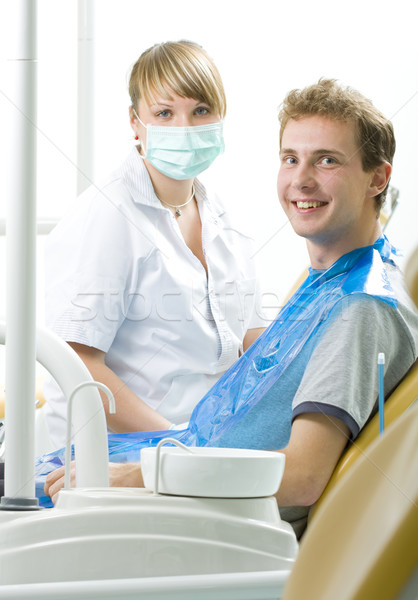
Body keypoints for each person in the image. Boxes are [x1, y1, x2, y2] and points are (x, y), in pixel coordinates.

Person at [45, 79, 418, 539]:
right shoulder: (333, 280)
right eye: (290, 159)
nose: (301, 179)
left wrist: (143, 476)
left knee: (25, 491)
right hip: (190, 475)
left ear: (378, 178)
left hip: (210, 520)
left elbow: (302, 476)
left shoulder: (360, 307)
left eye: (327, 160)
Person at [43, 40, 265, 450]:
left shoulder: (221, 217)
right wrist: (177, 444)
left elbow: (250, 342)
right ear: (135, 121)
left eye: (201, 110)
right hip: (106, 452)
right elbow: (78, 364)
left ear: (221, 115)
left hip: (194, 447)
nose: (184, 128)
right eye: (164, 113)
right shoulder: (110, 213)